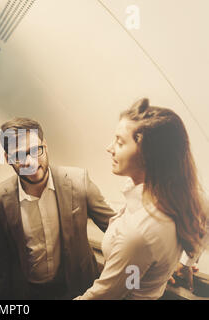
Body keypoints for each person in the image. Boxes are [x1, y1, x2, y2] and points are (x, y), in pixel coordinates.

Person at [75, 98, 207, 299]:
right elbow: (133, 275)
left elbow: (108, 294)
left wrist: (142, 271)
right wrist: (181, 263)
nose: (110, 148)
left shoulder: (139, 233)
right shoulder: (185, 193)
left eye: (120, 142)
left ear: (147, 154)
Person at [0, 117, 115, 300]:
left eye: (35, 150)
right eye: (19, 155)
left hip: (79, 288)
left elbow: (116, 228)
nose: (30, 163)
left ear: (45, 146)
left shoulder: (78, 181)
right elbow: (3, 262)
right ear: (8, 158)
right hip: (30, 293)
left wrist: (157, 254)